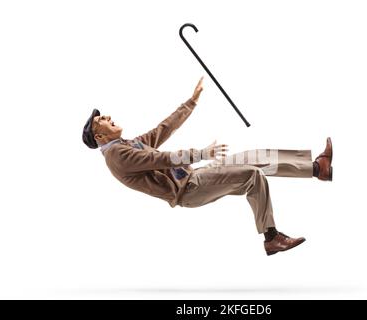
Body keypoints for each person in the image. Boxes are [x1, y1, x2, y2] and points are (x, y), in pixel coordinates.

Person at [82, 77, 333, 256]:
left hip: (196, 176)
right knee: (253, 176)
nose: (106, 117)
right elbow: (161, 159)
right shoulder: (116, 156)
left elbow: (162, 130)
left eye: (103, 115)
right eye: (99, 121)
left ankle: (316, 168)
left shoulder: (125, 144)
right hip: (189, 190)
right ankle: (271, 238)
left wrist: (190, 103)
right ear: (99, 137)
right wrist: (201, 153)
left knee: (254, 156)